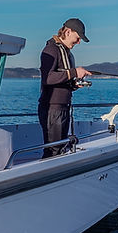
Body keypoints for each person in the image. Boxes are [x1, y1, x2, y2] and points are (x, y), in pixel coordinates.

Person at [39, 18, 92, 158]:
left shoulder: (67, 53)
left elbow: (61, 79)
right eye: (77, 38)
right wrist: (74, 72)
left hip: (62, 108)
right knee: (53, 150)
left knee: (61, 148)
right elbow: (48, 78)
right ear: (68, 32)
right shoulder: (51, 50)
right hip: (52, 109)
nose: (78, 42)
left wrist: (74, 84)